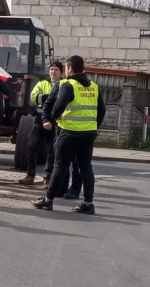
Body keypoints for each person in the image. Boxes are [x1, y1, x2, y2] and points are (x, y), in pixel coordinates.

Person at [32, 55, 106, 214]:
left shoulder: (67, 84)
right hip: (88, 133)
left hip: (69, 132)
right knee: (86, 167)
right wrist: (93, 125)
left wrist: (55, 118)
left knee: (59, 166)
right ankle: (88, 202)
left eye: (65, 68)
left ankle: (48, 199)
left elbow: (57, 108)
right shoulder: (93, 86)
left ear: (70, 69)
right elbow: (102, 110)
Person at [19, 60, 63, 186]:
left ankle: (48, 177)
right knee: (32, 146)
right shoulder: (42, 83)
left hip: (56, 121)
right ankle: (30, 175)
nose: (53, 72)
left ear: (61, 72)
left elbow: (62, 101)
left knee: (51, 150)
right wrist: (51, 98)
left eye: (56, 70)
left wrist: (44, 98)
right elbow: (33, 98)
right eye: (51, 69)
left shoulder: (64, 85)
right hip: (40, 119)